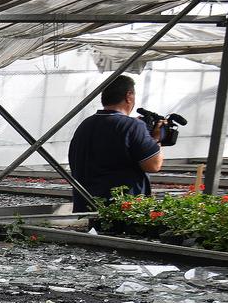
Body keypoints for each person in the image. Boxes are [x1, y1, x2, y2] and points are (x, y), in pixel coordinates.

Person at [67, 74, 165, 211]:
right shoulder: (132, 126)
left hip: (89, 203)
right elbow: (154, 165)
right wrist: (157, 139)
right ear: (129, 96)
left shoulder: (86, 124)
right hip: (121, 208)